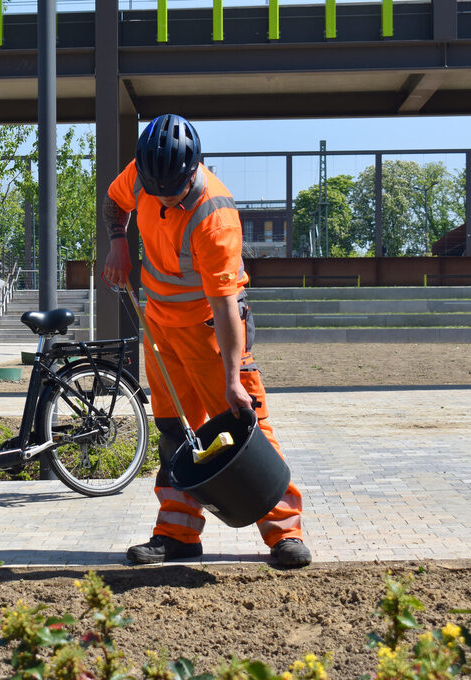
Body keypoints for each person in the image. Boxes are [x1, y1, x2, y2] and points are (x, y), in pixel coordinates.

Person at [100, 113, 311, 568]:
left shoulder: (215, 216)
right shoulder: (144, 172)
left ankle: (283, 533)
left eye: (172, 191)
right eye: (155, 191)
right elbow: (115, 203)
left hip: (212, 330)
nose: (163, 198)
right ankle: (177, 534)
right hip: (160, 328)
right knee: (175, 431)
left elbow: (226, 305)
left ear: (194, 167)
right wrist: (118, 241)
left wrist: (233, 378)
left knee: (244, 424)